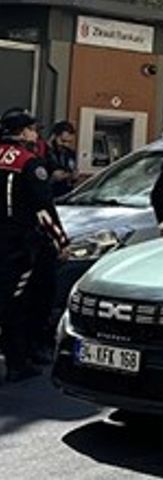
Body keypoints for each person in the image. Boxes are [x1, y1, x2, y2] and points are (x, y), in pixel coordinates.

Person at [0, 109, 69, 382]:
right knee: (19, 301)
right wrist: (61, 241)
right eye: (31, 129)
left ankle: (28, 350)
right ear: (22, 132)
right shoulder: (30, 163)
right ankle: (18, 362)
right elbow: (44, 210)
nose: (35, 133)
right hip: (20, 243)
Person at [45, 121, 78, 197]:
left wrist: (73, 176)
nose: (66, 145)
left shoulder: (70, 153)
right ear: (54, 136)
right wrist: (51, 179)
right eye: (63, 141)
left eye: (69, 142)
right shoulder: (44, 152)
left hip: (65, 194)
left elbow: (72, 169)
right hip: (48, 194)